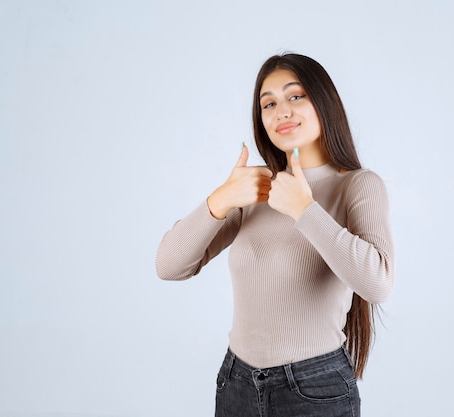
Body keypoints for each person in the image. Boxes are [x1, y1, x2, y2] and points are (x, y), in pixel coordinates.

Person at [156, 53, 395, 417]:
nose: (281, 111)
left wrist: (304, 209)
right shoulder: (257, 189)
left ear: (324, 102)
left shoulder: (358, 186)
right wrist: (220, 199)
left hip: (314, 390)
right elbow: (168, 266)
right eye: (269, 103)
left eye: (295, 96)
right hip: (236, 385)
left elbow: (378, 283)